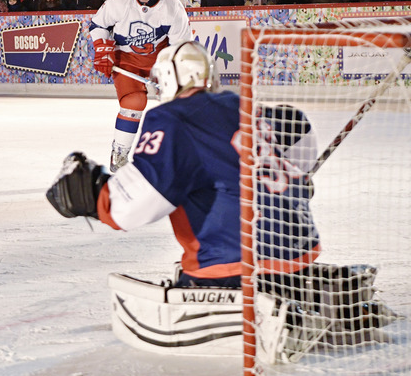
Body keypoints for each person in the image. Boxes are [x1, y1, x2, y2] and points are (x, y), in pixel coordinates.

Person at [45, 40, 321, 288]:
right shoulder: (244, 104)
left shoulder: (174, 118)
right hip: (301, 255)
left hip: (235, 266)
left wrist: (96, 198)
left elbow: (134, 205)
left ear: (167, 79)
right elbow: (298, 126)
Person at [88, 0, 193, 171]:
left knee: (176, 105)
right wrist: (102, 49)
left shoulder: (172, 6)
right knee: (133, 102)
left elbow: (181, 47)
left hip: (160, 61)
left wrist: (173, 73)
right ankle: (120, 154)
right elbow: (98, 25)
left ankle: (175, 156)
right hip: (126, 60)